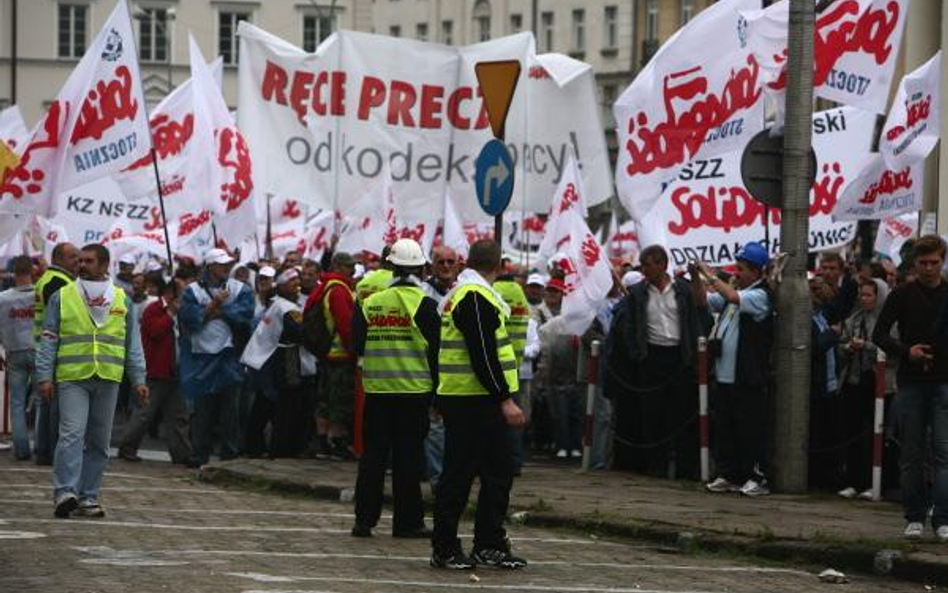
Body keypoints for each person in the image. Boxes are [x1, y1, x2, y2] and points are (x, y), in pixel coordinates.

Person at [431, 239, 527, 570]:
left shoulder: (470, 293)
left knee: (497, 473)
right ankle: (444, 547)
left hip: (477, 399)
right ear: (500, 265)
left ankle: (489, 543)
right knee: (459, 474)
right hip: (473, 401)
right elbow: (483, 354)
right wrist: (505, 399)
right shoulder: (473, 296)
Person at [35, 244, 147, 518]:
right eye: (80, 260)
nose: (82, 265)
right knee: (71, 434)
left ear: (104, 265)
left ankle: (88, 497)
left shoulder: (122, 299)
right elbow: (48, 338)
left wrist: (138, 379)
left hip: (108, 378)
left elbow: (133, 343)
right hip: (72, 377)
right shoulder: (62, 296)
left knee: (98, 441)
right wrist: (44, 376)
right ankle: (65, 492)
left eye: (89, 261)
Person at [351, 239, 439, 538]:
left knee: (372, 458)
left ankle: (364, 520)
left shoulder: (370, 303)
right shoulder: (426, 305)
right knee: (407, 459)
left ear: (390, 266)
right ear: (422, 270)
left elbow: (357, 345)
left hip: (376, 391)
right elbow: (436, 353)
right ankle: (407, 522)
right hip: (413, 392)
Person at [606, 245, 709, 477]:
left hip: (679, 357)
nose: (645, 271)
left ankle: (686, 468)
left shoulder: (681, 290)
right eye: (642, 266)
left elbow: (701, 305)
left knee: (682, 414)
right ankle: (656, 466)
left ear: (662, 265)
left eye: (648, 265)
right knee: (653, 414)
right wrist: (637, 352)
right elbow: (630, 326)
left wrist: (695, 277)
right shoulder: (638, 293)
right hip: (651, 357)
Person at [873, 235, 948, 540]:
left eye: (934, 262)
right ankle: (914, 515)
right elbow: (880, 334)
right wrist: (907, 351)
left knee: (944, 453)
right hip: (912, 382)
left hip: (944, 381)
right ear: (915, 264)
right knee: (912, 453)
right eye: (923, 263)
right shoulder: (902, 294)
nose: (929, 269)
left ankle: (942, 518)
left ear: (942, 261)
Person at [693, 242, 773, 497]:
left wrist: (711, 275)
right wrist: (696, 277)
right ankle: (729, 474)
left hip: (747, 375)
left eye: (741, 269)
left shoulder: (759, 295)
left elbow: (731, 297)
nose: (736, 273)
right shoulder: (736, 292)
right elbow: (702, 301)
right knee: (726, 428)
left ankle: (756, 477)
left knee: (750, 429)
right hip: (725, 374)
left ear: (756, 271)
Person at [178, 248, 254, 467]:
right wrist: (214, 305)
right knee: (202, 412)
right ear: (209, 266)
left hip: (230, 357)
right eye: (221, 264)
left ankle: (229, 457)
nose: (226, 267)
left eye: (227, 264)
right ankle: (199, 454)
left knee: (230, 411)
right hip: (201, 357)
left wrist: (217, 311)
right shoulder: (192, 290)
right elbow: (190, 319)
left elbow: (244, 316)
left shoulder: (241, 289)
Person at [117, 278, 191, 464]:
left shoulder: (182, 312)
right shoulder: (153, 309)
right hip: (156, 371)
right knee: (144, 414)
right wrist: (170, 314)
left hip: (174, 371)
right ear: (171, 292)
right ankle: (127, 447)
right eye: (181, 290)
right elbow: (154, 332)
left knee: (178, 416)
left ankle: (182, 453)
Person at [242, 268, 314, 457]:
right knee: (283, 406)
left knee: (264, 406)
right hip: (283, 359)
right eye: (291, 280)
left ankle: (255, 446)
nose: (296, 283)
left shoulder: (277, 304)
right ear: (281, 285)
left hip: (268, 359)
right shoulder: (287, 308)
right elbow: (299, 333)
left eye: (297, 279)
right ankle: (279, 448)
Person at [836, 278, 892, 500]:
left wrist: (866, 346)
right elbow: (840, 345)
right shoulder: (854, 319)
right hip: (854, 380)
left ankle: (875, 482)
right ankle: (853, 481)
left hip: (879, 384)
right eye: (862, 294)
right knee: (853, 432)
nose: (864, 299)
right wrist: (848, 347)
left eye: (869, 295)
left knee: (875, 433)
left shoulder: (887, 321)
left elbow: (891, 348)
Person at [306, 251, 357, 459]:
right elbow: (346, 326)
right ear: (337, 266)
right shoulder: (339, 290)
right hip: (340, 355)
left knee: (324, 400)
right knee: (339, 402)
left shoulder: (324, 287)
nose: (352, 270)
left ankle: (322, 444)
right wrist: (353, 351)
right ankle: (337, 443)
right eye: (348, 266)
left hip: (325, 354)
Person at [32, 242, 79, 465]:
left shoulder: (52, 278)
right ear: (59, 258)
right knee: (53, 407)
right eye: (73, 258)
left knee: (46, 403)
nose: (78, 263)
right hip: (54, 351)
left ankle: (43, 450)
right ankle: (49, 451)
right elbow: (60, 320)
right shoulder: (58, 282)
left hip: (46, 348)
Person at [0, 256, 37, 460]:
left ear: (14, 273)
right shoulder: (40, 295)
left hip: (14, 351)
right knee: (42, 401)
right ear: (31, 272)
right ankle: (41, 446)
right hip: (39, 350)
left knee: (17, 402)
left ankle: (21, 449)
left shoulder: (3, 298)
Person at [819, 252, 858, 325]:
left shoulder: (850, 285)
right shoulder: (817, 285)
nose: (827, 272)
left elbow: (847, 311)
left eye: (832, 268)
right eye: (824, 268)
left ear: (840, 270)